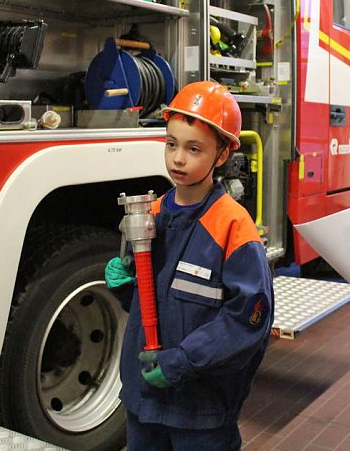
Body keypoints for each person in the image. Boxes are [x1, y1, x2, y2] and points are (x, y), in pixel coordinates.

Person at [105, 80, 273, 450]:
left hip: (200, 410)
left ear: (223, 154)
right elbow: (150, 304)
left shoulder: (232, 226)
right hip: (145, 400)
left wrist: (182, 361)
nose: (178, 159)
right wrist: (124, 287)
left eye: (194, 149)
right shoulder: (152, 214)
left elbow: (247, 321)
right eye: (171, 144)